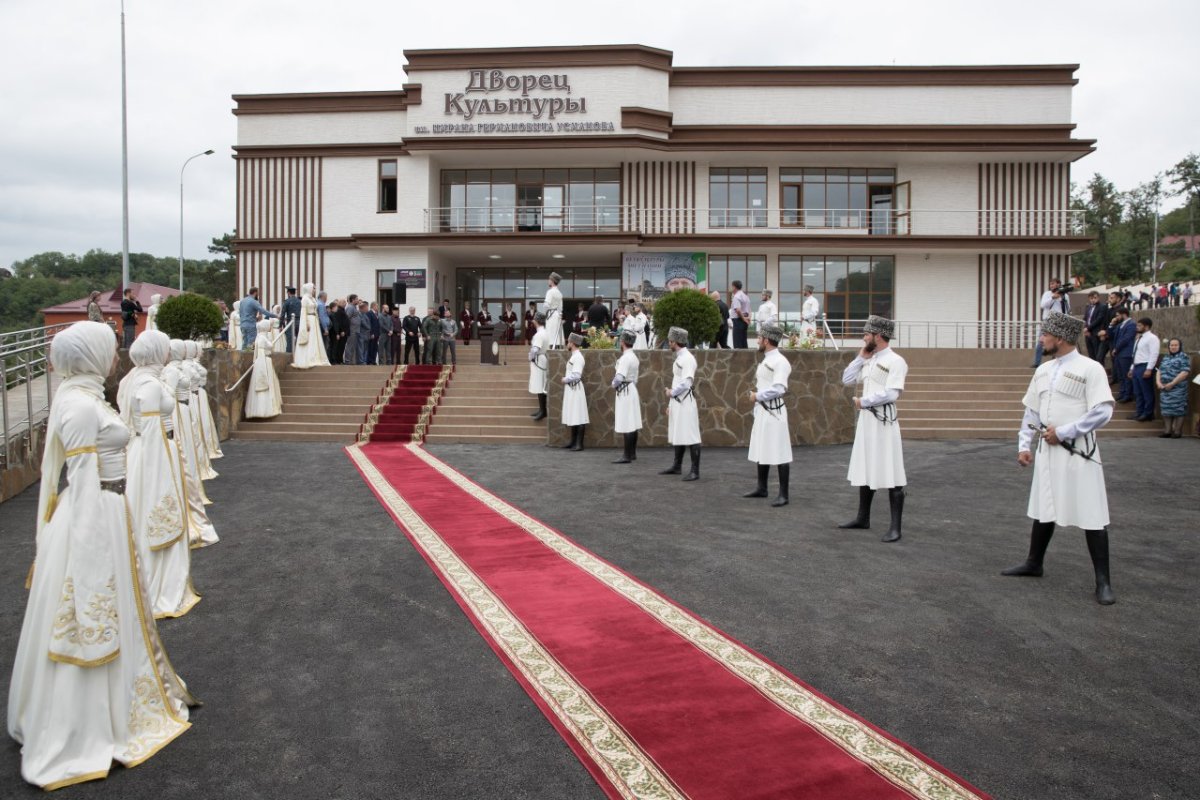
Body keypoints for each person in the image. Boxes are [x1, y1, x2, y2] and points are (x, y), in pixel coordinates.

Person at [8, 322, 194, 790]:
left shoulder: (85, 397)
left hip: (109, 508)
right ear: (91, 356)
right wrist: (90, 563)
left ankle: (111, 703)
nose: (117, 358)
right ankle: (82, 722)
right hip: (94, 517)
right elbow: (83, 480)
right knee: (94, 609)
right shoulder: (79, 405)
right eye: (110, 351)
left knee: (125, 602)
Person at [1004, 311, 1116, 605]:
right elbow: (1031, 412)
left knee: (1092, 514)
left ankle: (1103, 582)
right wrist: (1023, 445)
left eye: (1044, 335)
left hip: (1078, 453)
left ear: (1062, 338)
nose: (1041, 339)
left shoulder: (1090, 369)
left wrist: (1065, 432)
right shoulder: (1042, 370)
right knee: (1044, 507)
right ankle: (1034, 563)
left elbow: (1103, 411)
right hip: (1047, 452)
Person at [116, 330, 201, 619]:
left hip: (141, 449)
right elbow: (152, 430)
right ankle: (157, 581)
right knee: (153, 506)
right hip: (155, 452)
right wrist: (163, 472)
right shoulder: (149, 384)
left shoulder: (132, 379)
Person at [838, 315, 908, 543]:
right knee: (866, 468)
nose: (863, 337)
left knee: (892, 471)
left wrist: (864, 401)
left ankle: (895, 527)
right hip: (867, 423)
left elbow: (892, 393)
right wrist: (860, 357)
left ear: (878, 336)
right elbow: (847, 378)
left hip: (884, 424)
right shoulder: (868, 359)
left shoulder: (896, 361)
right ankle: (862, 518)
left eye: (866, 334)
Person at [743, 322, 792, 506]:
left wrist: (757, 396)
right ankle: (762, 488)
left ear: (766, 340)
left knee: (780, 450)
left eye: (759, 338)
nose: (757, 341)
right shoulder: (767, 359)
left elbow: (779, 388)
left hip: (774, 412)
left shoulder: (780, 362)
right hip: (763, 411)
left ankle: (784, 494)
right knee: (761, 446)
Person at [659, 326, 702, 481]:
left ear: (675, 341)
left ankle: (695, 471)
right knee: (678, 432)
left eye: (670, 341)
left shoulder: (687, 359)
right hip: (678, 402)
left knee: (691, 435)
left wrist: (671, 392)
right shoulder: (680, 357)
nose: (668, 344)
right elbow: (677, 380)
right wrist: (671, 404)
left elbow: (686, 382)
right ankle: (677, 466)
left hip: (685, 402)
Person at [186, 341, 223, 461]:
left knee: (203, 419)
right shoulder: (189, 366)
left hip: (199, 394)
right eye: (199, 349)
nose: (202, 352)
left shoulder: (193, 364)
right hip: (194, 394)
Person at [611, 329, 642, 463]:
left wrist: (613, 384)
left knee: (627, 422)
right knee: (632, 422)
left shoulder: (625, 358)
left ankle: (626, 455)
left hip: (625, 391)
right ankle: (632, 453)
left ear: (623, 342)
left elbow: (619, 377)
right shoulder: (634, 357)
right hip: (631, 389)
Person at [246, 319, 283, 418]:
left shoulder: (260, 337)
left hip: (264, 361)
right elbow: (261, 353)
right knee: (265, 385)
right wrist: (262, 371)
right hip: (264, 363)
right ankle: (265, 410)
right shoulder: (262, 338)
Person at [1155, 338, 1191, 438]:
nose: (1173, 347)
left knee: (1179, 410)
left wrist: (1172, 383)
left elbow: (1185, 372)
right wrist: (1158, 382)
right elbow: (1159, 370)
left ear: (1180, 346)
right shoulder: (1166, 357)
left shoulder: (1183, 357)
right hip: (1164, 388)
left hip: (1178, 388)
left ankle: (1177, 432)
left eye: (1176, 345)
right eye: (1171, 345)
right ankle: (1167, 431)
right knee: (1166, 409)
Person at [1032, 277, 1070, 368]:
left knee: (1058, 342)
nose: (1052, 286)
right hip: (1047, 320)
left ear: (1059, 285)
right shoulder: (1047, 294)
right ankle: (1037, 362)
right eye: (1051, 284)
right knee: (1041, 341)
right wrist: (1053, 298)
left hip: (1059, 320)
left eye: (1054, 284)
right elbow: (1042, 305)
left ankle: (1055, 361)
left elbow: (1068, 309)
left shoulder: (1065, 296)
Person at [560, 332, 589, 451]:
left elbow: (577, 375)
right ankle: (573, 442)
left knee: (579, 415)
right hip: (572, 389)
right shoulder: (574, 356)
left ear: (572, 343)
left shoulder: (578, 357)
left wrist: (565, 379)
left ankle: (579, 444)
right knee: (573, 413)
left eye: (568, 342)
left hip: (575, 388)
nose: (567, 343)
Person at [1129, 317, 1160, 422]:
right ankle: (1139, 412)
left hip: (1145, 366)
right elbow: (1136, 354)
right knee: (1138, 392)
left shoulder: (1152, 338)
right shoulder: (1139, 338)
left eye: (1139, 325)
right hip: (1137, 366)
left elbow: (1154, 354)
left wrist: (1149, 369)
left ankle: (1148, 413)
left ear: (1146, 326)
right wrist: (1132, 368)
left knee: (1146, 391)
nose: (1137, 327)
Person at [293, 283, 331, 369]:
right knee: (310, 338)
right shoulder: (305, 299)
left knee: (315, 339)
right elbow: (303, 312)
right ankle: (309, 358)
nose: (314, 290)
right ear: (309, 289)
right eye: (313, 288)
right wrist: (306, 323)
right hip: (309, 320)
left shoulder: (313, 299)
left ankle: (316, 356)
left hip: (314, 320)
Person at [1108, 306, 1135, 401]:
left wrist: (1116, 348)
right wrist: (1111, 324)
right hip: (1119, 354)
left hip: (1125, 353)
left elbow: (1126, 339)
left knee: (1126, 375)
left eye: (1118, 315)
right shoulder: (1120, 325)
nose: (1116, 317)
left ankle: (1128, 394)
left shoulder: (1131, 324)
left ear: (1124, 314)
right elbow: (1111, 334)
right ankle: (1122, 392)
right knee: (1120, 375)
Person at [527, 312, 549, 421]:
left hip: (539, 359)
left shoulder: (539, 334)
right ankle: (541, 409)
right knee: (541, 385)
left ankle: (543, 411)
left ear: (536, 321)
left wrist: (530, 357)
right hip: (542, 358)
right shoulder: (544, 332)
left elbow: (535, 349)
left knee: (540, 385)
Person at [1082, 291, 1109, 362]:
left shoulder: (1102, 306)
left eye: (1095, 298)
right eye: (1091, 298)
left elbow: (1099, 319)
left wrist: (1088, 328)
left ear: (1098, 298)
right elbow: (1086, 319)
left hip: (1096, 333)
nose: (1093, 300)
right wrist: (1086, 329)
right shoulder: (1088, 307)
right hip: (1088, 334)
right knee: (1091, 354)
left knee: (1098, 356)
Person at [545, 272, 564, 348]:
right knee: (557, 334)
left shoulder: (550, 292)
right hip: (557, 315)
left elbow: (546, 305)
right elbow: (560, 308)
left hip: (551, 315)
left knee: (550, 334)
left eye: (549, 279)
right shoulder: (559, 293)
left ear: (552, 280)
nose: (548, 281)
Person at [730, 280, 751, 349]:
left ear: (734, 287)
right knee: (743, 341)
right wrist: (748, 318)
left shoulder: (736, 297)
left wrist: (743, 318)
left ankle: (739, 359)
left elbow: (738, 310)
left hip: (738, 320)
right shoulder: (746, 296)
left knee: (737, 342)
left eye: (731, 286)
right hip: (745, 319)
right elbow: (749, 309)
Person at [280, 286, 302, 353]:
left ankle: (288, 359)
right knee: (299, 341)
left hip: (290, 323)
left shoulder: (287, 302)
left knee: (290, 341)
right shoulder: (299, 301)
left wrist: (281, 325)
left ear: (288, 293)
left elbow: (283, 314)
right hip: (299, 322)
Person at [328, 299, 349, 364]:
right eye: (336, 306)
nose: (345, 304)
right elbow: (336, 324)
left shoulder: (336, 313)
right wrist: (339, 332)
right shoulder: (334, 314)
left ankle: (336, 360)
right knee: (335, 347)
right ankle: (334, 360)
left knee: (337, 347)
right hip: (334, 333)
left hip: (338, 332)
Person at [343, 294, 360, 364]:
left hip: (355, 330)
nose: (358, 300)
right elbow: (347, 319)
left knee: (353, 346)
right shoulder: (350, 307)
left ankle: (351, 361)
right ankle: (347, 361)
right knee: (349, 346)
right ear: (353, 300)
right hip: (352, 330)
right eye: (356, 299)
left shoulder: (354, 307)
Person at [356, 300, 372, 365]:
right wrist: (369, 327)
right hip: (361, 334)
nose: (367, 309)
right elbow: (363, 323)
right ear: (363, 308)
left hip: (366, 335)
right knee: (361, 348)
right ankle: (361, 361)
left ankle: (364, 360)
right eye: (366, 308)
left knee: (365, 349)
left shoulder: (365, 314)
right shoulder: (359, 314)